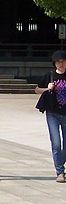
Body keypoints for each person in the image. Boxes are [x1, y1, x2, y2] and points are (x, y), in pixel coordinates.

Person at [34, 50, 66, 183]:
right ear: (54, 64)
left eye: (63, 61)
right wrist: (47, 88)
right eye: (58, 62)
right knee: (56, 143)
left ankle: (60, 161)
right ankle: (60, 171)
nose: (61, 64)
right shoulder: (50, 76)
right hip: (52, 113)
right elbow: (36, 90)